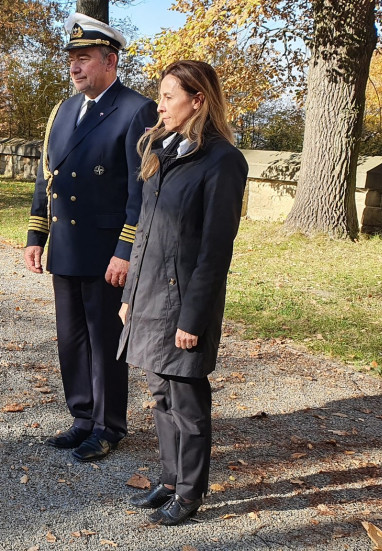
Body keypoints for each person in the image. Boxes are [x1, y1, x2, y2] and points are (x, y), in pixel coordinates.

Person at [118, 60, 248, 525]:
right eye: (160, 94)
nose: (160, 104)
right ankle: (170, 479)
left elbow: (215, 251)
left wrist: (192, 319)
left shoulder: (222, 161)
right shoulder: (160, 149)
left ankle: (190, 493)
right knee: (160, 397)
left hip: (185, 306)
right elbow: (146, 232)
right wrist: (129, 294)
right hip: (148, 297)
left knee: (188, 405)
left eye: (170, 96)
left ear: (198, 100)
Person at [24, 13, 158, 462]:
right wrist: (35, 233)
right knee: (71, 339)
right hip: (66, 247)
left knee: (104, 339)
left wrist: (126, 250)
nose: (75, 68)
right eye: (72, 61)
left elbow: (140, 192)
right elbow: (48, 177)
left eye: (84, 59)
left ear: (110, 61)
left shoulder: (135, 110)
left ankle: (108, 426)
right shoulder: (61, 111)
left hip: (105, 251)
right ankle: (81, 417)